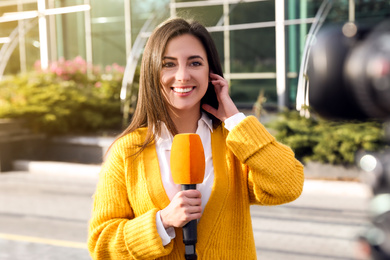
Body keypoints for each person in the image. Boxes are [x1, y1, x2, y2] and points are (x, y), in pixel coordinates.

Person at [87, 17, 304, 259]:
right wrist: (163, 221)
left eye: (195, 63)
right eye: (168, 64)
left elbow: (289, 185)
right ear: (151, 73)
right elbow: (101, 246)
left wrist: (234, 118)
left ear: (210, 72)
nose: (182, 76)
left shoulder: (234, 142)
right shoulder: (127, 151)